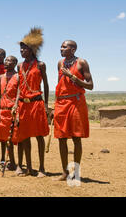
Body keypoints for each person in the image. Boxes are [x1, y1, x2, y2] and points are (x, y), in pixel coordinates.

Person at [53, 40, 93, 181]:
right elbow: (60, 85)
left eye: (64, 47)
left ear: (73, 49)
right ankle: (65, 172)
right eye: (61, 46)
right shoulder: (60, 63)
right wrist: (55, 103)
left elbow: (90, 85)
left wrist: (72, 77)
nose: (61, 48)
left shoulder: (82, 63)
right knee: (61, 139)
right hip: (62, 103)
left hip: (76, 103)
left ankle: (75, 172)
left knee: (76, 138)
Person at [15, 28, 50, 177]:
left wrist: (47, 104)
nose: (22, 50)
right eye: (21, 48)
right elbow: (19, 87)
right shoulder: (19, 66)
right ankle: (28, 168)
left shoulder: (40, 65)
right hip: (23, 104)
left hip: (36, 104)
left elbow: (46, 85)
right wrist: (16, 104)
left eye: (24, 48)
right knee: (24, 136)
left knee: (39, 136)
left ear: (32, 50)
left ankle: (41, 168)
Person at [0, 56, 20, 171]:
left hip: (14, 111)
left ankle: (16, 163)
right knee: (4, 138)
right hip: (3, 111)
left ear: (15, 63)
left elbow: (19, 94)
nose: (6, 62)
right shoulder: (1, 77)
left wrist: (16, 106)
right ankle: (6, 161)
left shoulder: (18, 77)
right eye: (5, 60)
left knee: (15, 138)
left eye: (9, 60)